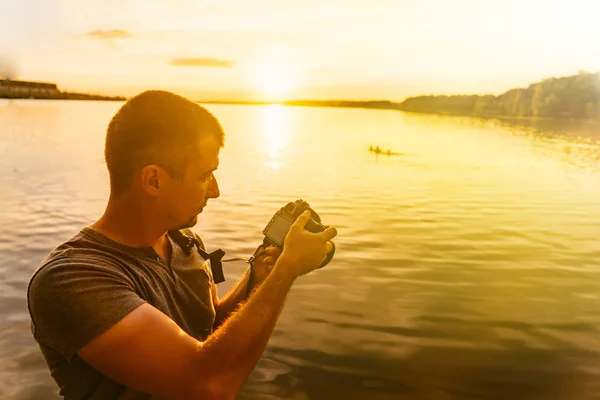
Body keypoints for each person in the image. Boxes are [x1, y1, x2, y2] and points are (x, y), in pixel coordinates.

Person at [27, 90, 337, 400]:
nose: (215, 191)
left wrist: (258, 278)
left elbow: (209, 328)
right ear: (154, 181)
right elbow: (207, 385)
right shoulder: (71, 280)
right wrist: (286, 272)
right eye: (205, 176)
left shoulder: (185, 241)